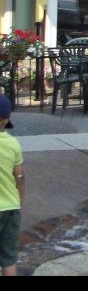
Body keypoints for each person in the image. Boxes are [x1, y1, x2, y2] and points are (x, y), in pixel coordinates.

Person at [0, 95, 23, 277]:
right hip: (11, 207)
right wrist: (19, 199)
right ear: (6, 119)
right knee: (9, 259)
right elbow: (19, 175)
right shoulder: (13, 144)